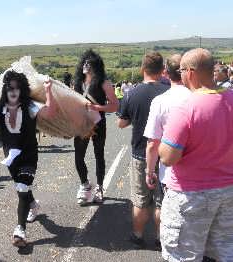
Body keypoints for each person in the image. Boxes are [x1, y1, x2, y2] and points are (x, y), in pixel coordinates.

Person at [159, 48, 233, 262]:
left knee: (183, 256)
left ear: (190, 72)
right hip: (228, 192)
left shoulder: (186, 108)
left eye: (181, 70)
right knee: (225, 253)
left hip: (190, 196)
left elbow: (168, 157)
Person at [0, 70, 57, 248]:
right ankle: (34, 205)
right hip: (10, 157)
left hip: (28, 154)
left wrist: (48, 90)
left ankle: (20, 230)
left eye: (17, 87)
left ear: (22, 89)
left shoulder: (30, 106)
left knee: (22, 187)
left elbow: (50, 113)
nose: (13, 91)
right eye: (10, 87)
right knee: (22, 187)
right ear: (5, 89)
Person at [117, 51, 169, 248]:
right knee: (160, 201)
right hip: (165, 153)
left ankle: (138, 235)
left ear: (142, 69)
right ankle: (160, 237)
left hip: (140, 152)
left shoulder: (132, 93)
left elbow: (121, 123)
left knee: (140, 200)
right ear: (161, 70)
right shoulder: (168, 91)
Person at [73, 49, 118, 205]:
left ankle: (99, 187)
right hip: (81, 124)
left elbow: (114, 106)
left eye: (89, 62)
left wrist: (97, 108)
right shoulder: (77, 82)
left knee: (99, 154)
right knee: (78, 156)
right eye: (84, 62)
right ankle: (85, 185)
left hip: (98, 123)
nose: (86, 64)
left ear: (96, 65)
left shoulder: (104, 82)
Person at [144, 54, 191, 191]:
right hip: (203, 175)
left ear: (166, 72)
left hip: (172, 176)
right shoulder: (199, 97)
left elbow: (153, 144)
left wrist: (150, 171)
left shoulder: (160, 102)